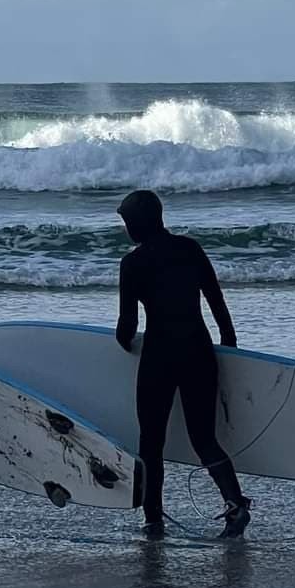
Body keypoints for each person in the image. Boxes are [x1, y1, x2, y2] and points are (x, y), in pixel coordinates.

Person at [114, 189, 251, 539]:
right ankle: (235, 504)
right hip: (198, 351)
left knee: (151, 443)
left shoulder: (133, 263)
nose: (126, 229)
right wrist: (229, 344)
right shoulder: (189, 248)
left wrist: (123, 343)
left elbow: (127, 324)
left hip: (159, 355)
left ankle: (153, 519)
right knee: (203, 438)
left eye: (127, 223)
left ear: (137, 224)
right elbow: (216, 299)